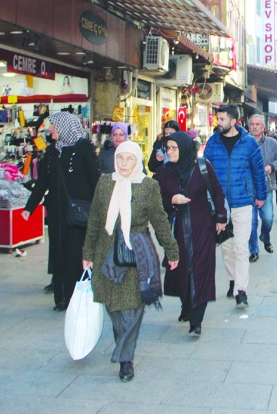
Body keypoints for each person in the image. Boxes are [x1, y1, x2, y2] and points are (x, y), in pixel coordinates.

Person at [81, 141, 179, 381]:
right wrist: (88, 253)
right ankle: (123, 345)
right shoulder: (105, 183)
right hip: (106, 253)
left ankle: (125, 359)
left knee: (133, 306)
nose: (124, 163)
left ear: (138, 161)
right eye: (120, 158)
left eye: (130, 159)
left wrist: (171, 249)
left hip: (136, 254)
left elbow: (159, 219)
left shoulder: (148, 186)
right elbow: (94, 219)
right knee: (114, 306)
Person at [23, 111, 100, 310]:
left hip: (78, 214)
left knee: (75, 255)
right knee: (59, 254)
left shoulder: (83, 148)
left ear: (65, 128)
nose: (51, 130)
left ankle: (80, 296)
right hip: (58, 215)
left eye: (54, 126)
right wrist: (29, 208)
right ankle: (62, 297)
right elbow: (42, 183)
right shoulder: (52, 151)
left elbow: (95, 179)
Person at [154, 132, 227, 336]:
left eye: (174, 148)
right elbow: (156, 199)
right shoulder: (164, 172)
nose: (170, 152)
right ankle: (187, 305)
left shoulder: (202, 167)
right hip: (177, 229)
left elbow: (217, 191)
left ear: (184, 148)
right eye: (168, 148)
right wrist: (171, 200)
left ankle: (196, 321)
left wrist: (221, 217)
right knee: (181, 269)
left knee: (200, 269)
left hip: (202, 226)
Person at [202, 105, 266, 308]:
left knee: (240, 247)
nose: (218, 122)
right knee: (227, 248)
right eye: (217, 119)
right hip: (221, 205)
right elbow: (205, 172)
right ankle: (232, 279)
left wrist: (261, 196)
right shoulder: (213, 142)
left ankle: (241, 290)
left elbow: (257, 170)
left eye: (221, 119)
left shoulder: (248, 143)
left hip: (243, 202)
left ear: (233, 121)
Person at [247, 115, 277, 261]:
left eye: (257, 124)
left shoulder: (272, 143)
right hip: (249, 189)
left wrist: (272, 166)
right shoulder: (244, 143)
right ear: (249, 127)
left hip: (267, 187)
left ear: (263, 127)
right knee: (251, 222)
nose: (255, 126)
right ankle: (254, 250)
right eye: (252, 124)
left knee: (268, 219)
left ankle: (265, 236)